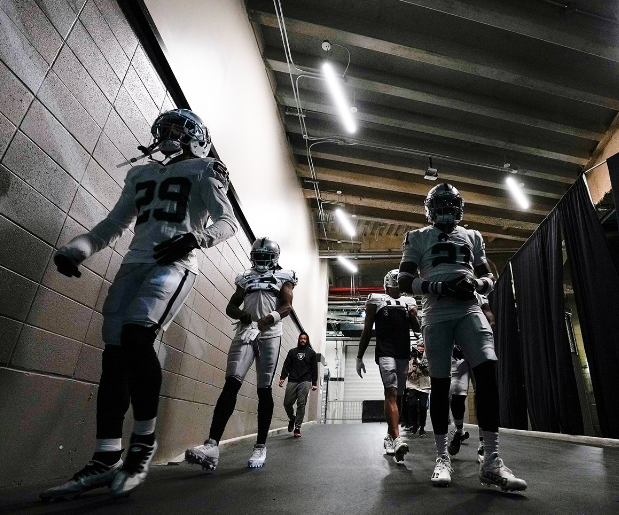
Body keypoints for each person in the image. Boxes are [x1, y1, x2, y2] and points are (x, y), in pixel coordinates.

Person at [40, 109, 237, 500]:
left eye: (179, 129)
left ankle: (143, 445)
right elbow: (114, 224)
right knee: (114, 357)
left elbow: (227, 221)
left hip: (175, 265)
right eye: (165, 129)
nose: (170, 134)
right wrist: (78, 249)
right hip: (134, 264)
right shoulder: (140, 174)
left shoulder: (206, 168)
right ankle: (106, 457)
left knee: (136, 336)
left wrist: (196, 238)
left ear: (198, 137)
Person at [398, 183, 526, 491]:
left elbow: (489, 276)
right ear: (431, 210)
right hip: (436, 312)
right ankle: (443, 457)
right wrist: (440, 287)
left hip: (469, 308)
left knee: (487, 373)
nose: (445, 210)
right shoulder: (417, 237)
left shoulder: (472, 236)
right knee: (440, 384)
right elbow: (403, 280)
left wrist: (477, 285)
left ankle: (491, 460)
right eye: (440, 205)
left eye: (449, 205)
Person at [185, 238, 297, 470]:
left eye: (265, 257)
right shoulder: (245, 277)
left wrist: (264, 321)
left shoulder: (284, 276)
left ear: (274, 258)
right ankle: (212, 445)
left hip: (269, 335)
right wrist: (241, 314)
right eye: (258, 256)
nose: (261, 260)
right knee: (231, 384)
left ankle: (260, 445)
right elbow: (231, 306)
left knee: (264, 388)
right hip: (245, 333)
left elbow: (286, 306)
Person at [356, 269, 420, 462]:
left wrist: (414, 317)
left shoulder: (409, 301)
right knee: (390, 392)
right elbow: (367, 329)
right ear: (386, 286)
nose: (396, 289)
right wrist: (359, 356)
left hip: (403, 351)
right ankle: (397, 438)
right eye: (394, 286)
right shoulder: (376, 300)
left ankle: (390, 436)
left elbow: (416, 327)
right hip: (385, 351)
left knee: (398, 395)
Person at [448, 294, 495, 462]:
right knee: (456, 394)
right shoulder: (449, 294)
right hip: (458, 351)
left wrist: (483, 339)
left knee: (482, 394)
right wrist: (450, 344)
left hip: (477, 347)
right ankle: (459, 431)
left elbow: (490, 318)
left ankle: (483, 443)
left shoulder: (479, 296)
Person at [279, 332, 318, 437]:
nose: (303, 340)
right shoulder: (292, 352)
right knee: (287, 403)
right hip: (292, 379)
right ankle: (292, 419)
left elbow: (314, 369)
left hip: (305, 380)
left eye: (305, 338)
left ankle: (297, 428)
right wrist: (282, 377)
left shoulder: (312, 353)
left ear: (307, 340)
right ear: (299, 339)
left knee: (301, 404)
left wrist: (314, 383)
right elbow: (286, 365)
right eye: (301, 338)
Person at [405, 344, 431, 438]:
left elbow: (428, 373)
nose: (419, 353)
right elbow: (405, 373)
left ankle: (422, 428)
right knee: (411, 405)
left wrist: (420, 364)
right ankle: (415, 423)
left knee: (423, 407)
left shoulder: (427, 360)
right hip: (413, 385)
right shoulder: (410, 361)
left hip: (424, 386)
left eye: (421, 351)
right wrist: (412, 370)